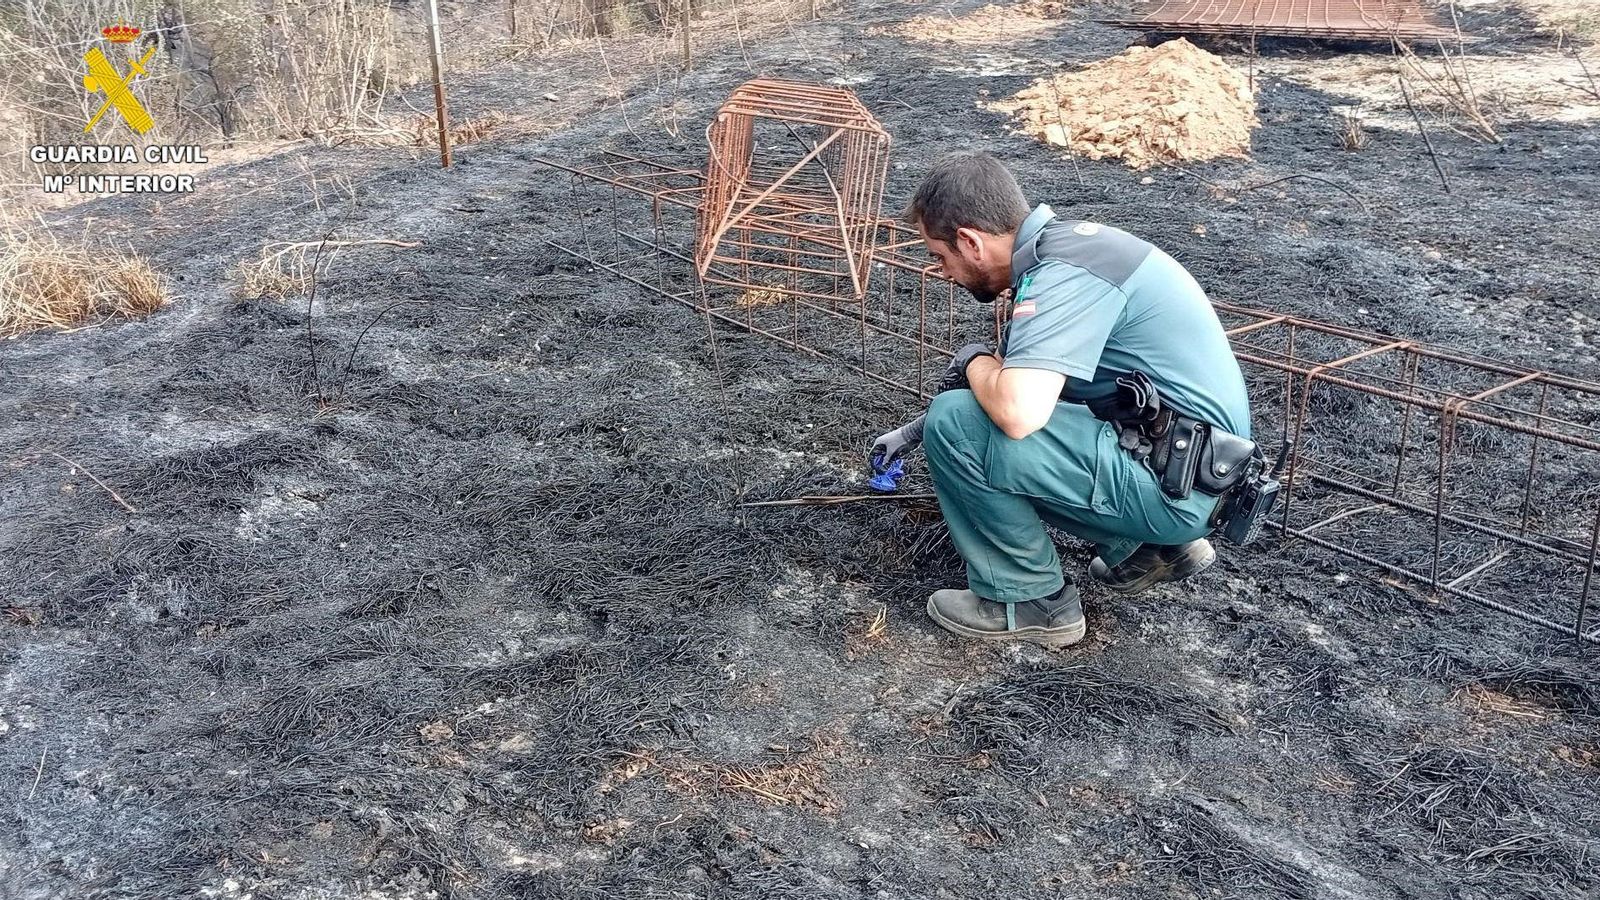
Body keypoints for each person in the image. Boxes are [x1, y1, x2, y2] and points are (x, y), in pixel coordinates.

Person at [871, 151, 1254, 649]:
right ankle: (1148, 548)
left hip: (1179, 487)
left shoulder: (1062, 278)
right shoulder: (1071, 253)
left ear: (970, 241)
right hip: (1192, 471)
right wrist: (910, 434)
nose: (942, 272)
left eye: (939, 257)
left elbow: (1016, 411)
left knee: (957, 421)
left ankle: (1029, 602)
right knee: (976, 414)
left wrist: (971, 361)